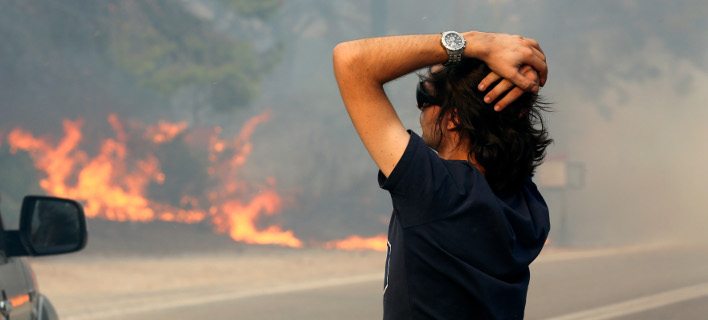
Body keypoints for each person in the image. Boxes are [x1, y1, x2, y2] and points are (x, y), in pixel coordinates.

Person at [333, 31, 552, 319]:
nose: (418, 107)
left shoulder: (437, 191)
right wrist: (519, 82)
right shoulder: (525, 203)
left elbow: (350, 60)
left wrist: (473, 43)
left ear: (455, 117)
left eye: (425, 96)